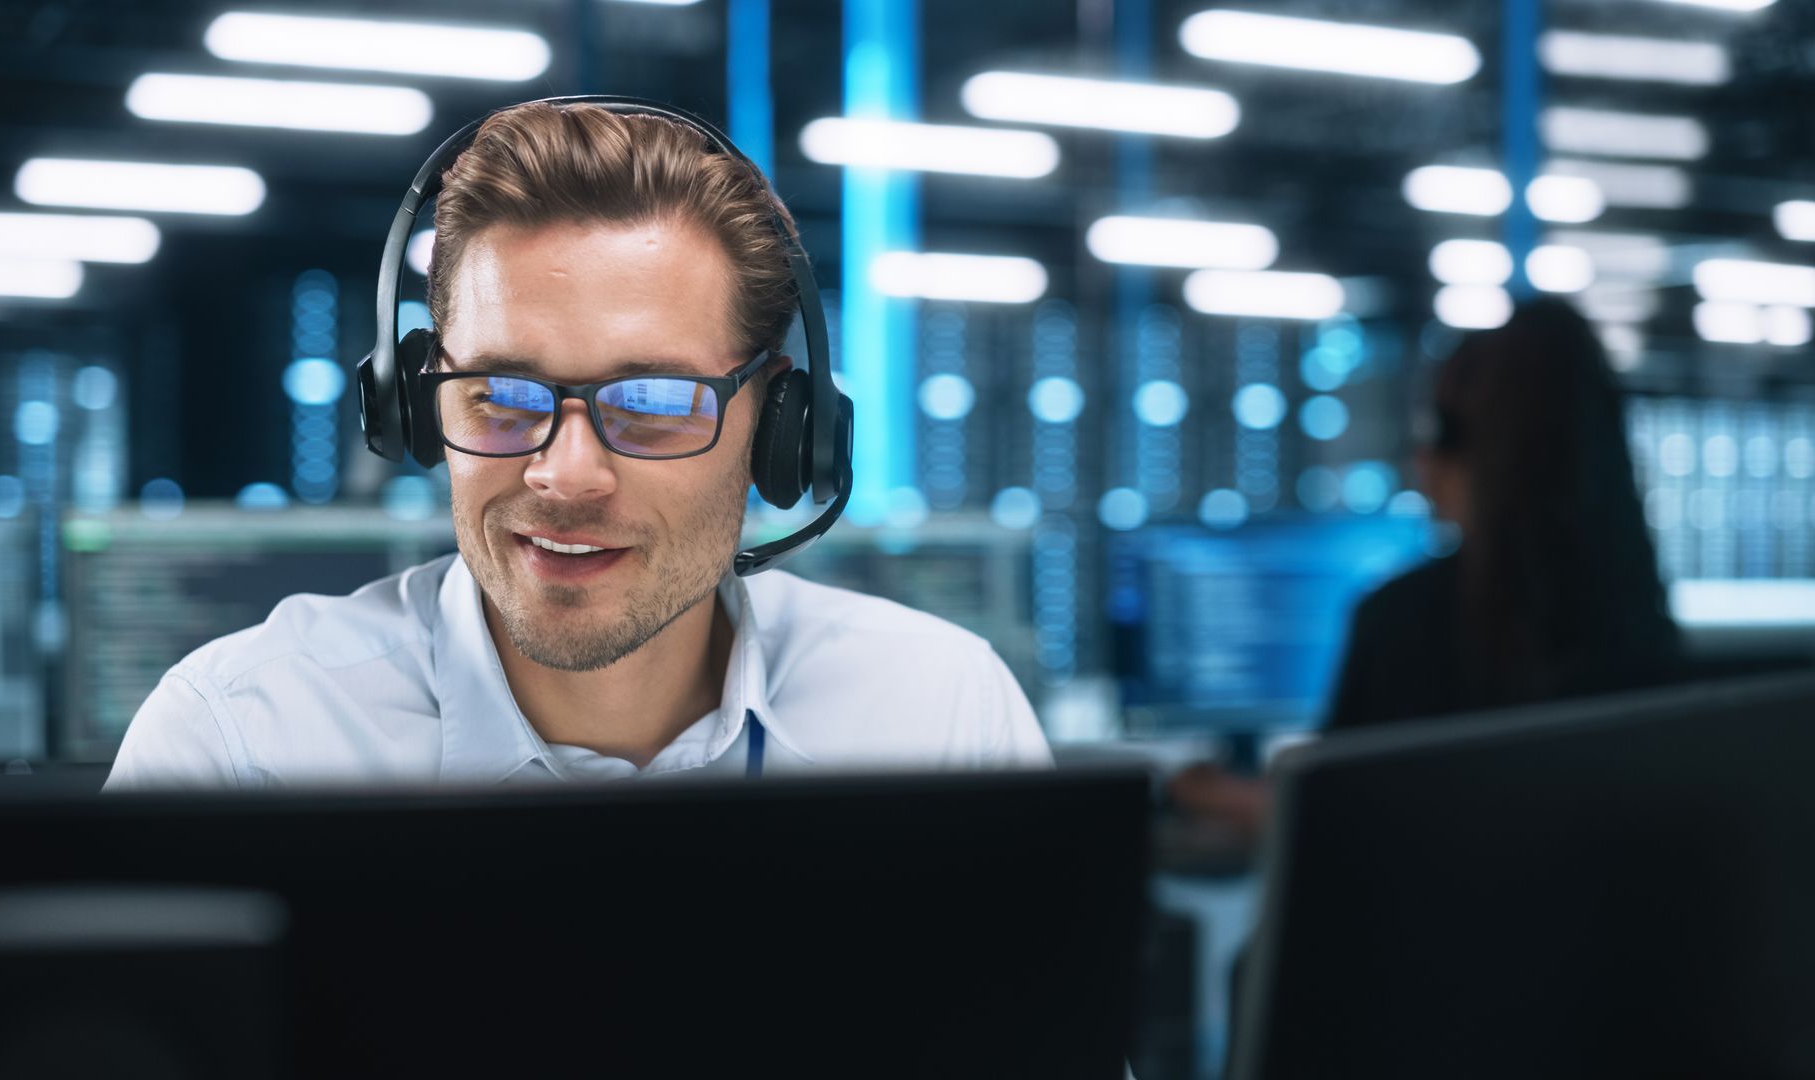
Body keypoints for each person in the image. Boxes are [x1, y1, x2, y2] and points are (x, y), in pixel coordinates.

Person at [106, 101, 1049, 790]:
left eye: (652, 402)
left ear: (780, 427)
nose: (565, 474)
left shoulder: (939, 718)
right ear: (415, 409)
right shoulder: (241, 746)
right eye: (501, 396)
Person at [1173, 298, 1681, 830]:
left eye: (1431, 433)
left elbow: (1335, 826)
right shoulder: (1636, 625)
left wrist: (1212, 795)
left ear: (1468, 454)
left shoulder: (1406, 623)